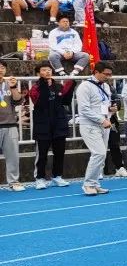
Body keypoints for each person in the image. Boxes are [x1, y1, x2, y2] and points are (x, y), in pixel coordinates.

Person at [29, 63, 73, 189]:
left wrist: (71, 83)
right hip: (43, 125)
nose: (47, 72)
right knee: (42, 154)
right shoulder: (35, 88)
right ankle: (40, 178)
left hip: (58, 124)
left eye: (49, 70)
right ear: (38, 73)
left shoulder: (58, 86)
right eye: (44, 70)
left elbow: (66, 100)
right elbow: (36, 100)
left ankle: (57, 176)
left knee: (59, 152)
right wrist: (44, 85)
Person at [75, 62, 116, 196]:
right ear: (96, 72)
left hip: (105, 123)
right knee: (99, 153)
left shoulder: (105, 86)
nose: (108, 77)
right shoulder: (84, 86)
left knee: (101, 155)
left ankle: (95, 183)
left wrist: (110, 111)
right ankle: (88, 184)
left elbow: (104, 104)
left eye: (110, 74)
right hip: (90, 124)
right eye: (106, 74)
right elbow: (84, 109)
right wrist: (101, 119)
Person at [0, 62, 24, 191]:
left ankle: (14, 181)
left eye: (3, 67)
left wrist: (14, 87)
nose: (0, 70)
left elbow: (18, 100)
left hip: (10, 124)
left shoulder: (9, 84)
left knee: (13, 156)